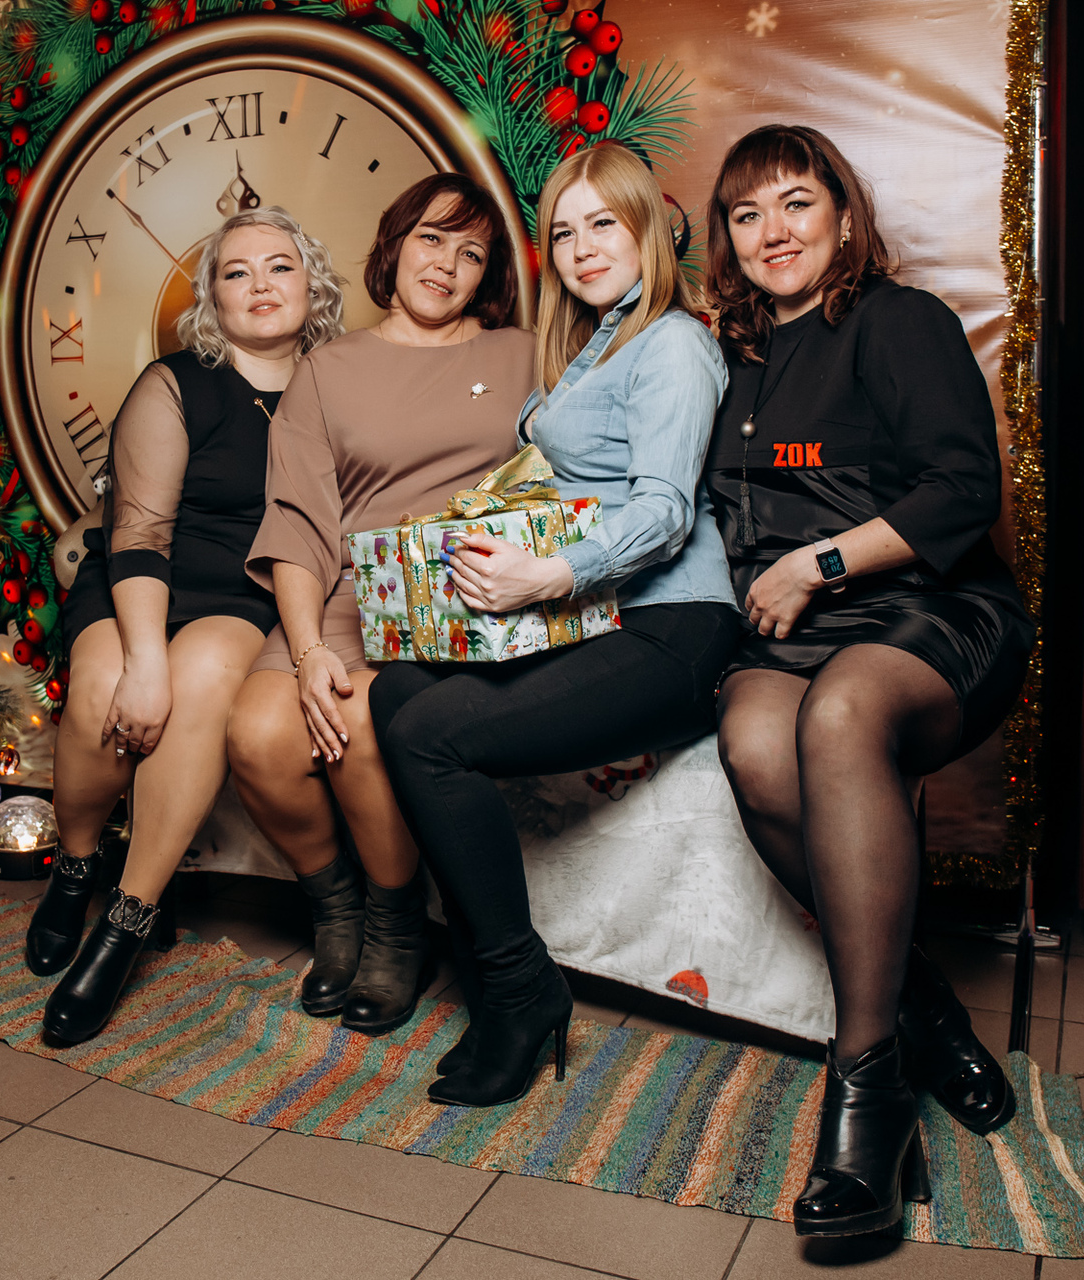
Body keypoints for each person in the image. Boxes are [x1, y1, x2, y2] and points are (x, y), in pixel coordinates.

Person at [702, 124, 1036, 1236]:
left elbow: (964, 490)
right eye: (747, 213)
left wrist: (821, 562)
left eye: (796, 202)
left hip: (931, 613)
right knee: (755, 745)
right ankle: (924, 1007)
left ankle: (866, 1081)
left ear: (844, 217)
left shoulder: (900, 321)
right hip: (793, 634)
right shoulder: (732, 357)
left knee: (840, 713)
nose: (773, 231)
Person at [368, 142, 739, 1107]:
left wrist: (547, 575)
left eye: (603, 224)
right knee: (397, 689)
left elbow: (663, 512)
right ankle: (488, 968)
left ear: (647, 229)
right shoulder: (591, 346)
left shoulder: (670, 343)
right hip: (596, 617)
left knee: (432, 737)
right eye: (563, 233)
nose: (582, 249)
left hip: (673, 626)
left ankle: (517, 989)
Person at [28, 206, 347, 1045]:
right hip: (142, 576)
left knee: (201, 679)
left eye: (279, 266)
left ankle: (126, 920)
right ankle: (75, 865)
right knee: (106, 686)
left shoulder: (339, 385)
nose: (260, 285)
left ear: (311, 284)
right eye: (237, 272)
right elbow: (138, 533)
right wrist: (143, 660)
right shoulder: (174, 383)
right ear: (213, 297)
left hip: (249, 591)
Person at [227, 173, 534, 1037]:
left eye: (471, 253)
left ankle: (397, 925)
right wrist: (309, 651)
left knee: (363, 722)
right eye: (431, 238)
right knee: (257, 732)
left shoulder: (524, 355)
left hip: (458, 602)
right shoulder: (328, 370)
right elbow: (299, 524)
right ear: (395, 245)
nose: (447, 265)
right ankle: (337, 907)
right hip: (343, 601)